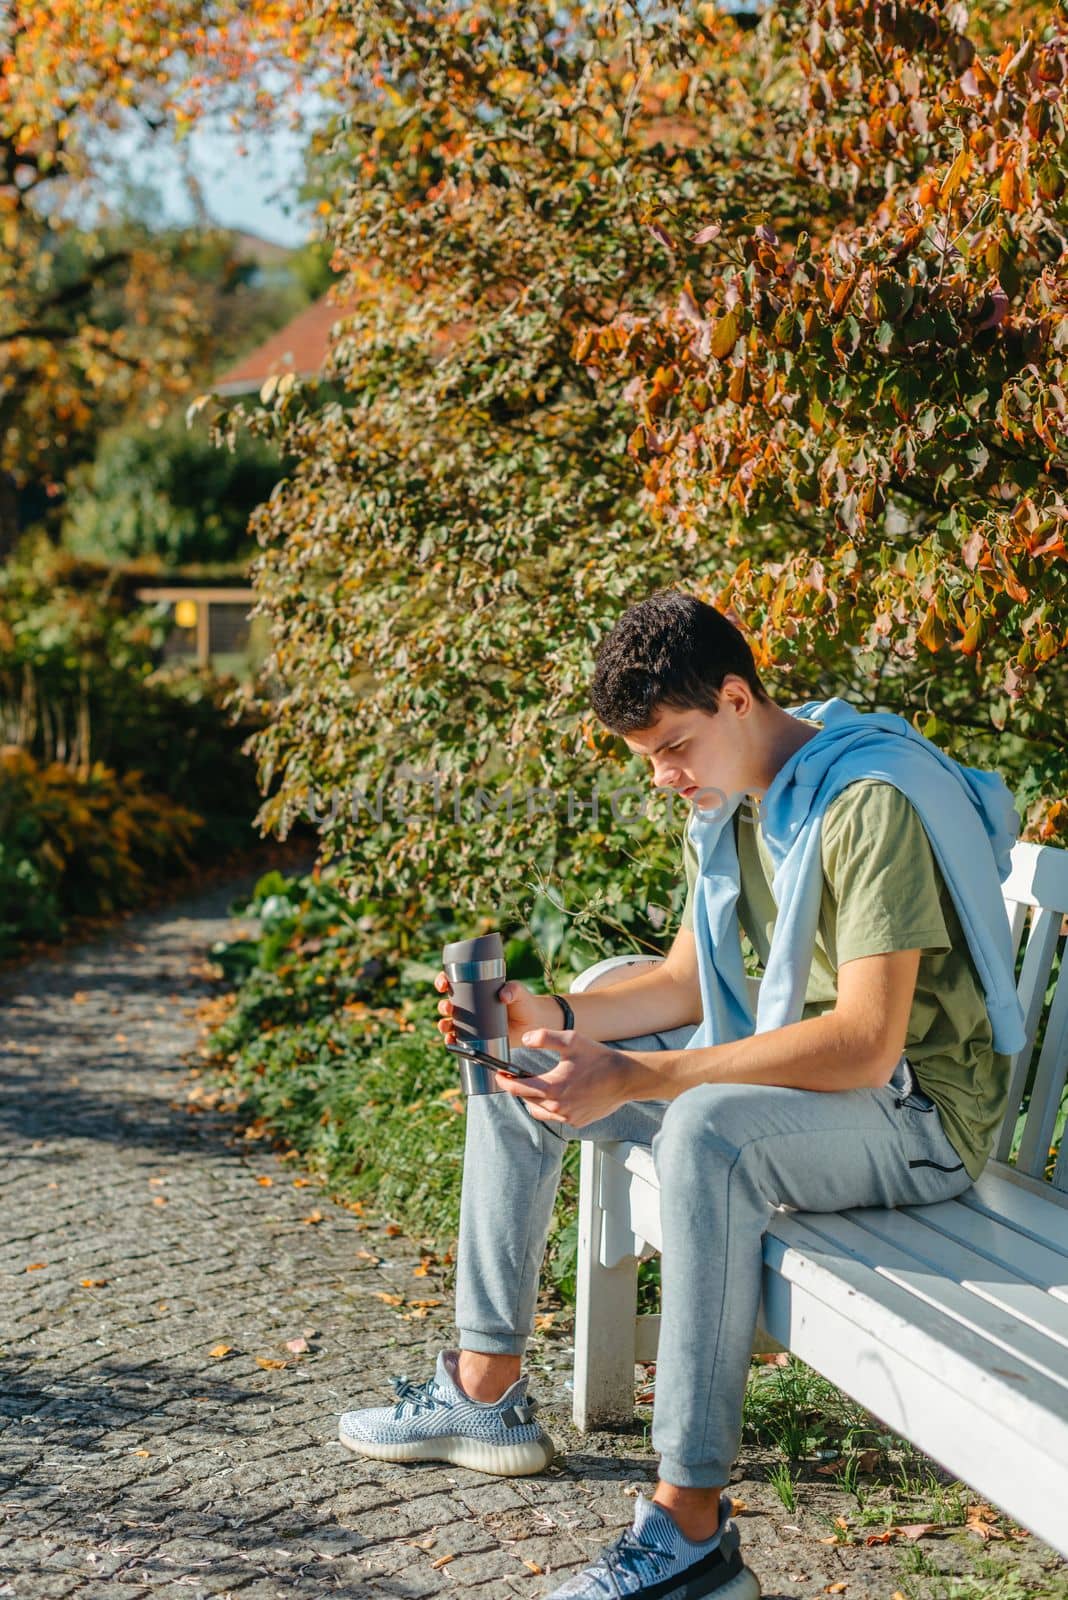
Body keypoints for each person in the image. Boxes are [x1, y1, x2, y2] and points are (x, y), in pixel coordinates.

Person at [338, 589, 1023, 1600]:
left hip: (920, 1116)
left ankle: (690, 1532)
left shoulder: (865, 799)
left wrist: (643, 1074)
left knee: (705, 1130)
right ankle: (484, 1392)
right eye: (649, 757)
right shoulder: (740, 793)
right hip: (811, 1081)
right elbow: (685, 983)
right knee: (529, 1052)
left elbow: (868, 1044)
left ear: (738, 698)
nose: (665, 777)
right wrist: (546, 1013)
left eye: (673, 747)